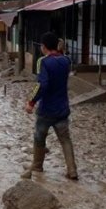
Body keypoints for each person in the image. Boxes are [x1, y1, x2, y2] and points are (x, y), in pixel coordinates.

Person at [23, 32, 78, 181]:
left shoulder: (44, 62)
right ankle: (72, 169)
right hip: (62, 108)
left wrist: (31, 102)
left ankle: (37, 165)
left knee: (39, 137)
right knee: (65, 139)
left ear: (44, 47)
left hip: (46, 110)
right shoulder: (66, 60)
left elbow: (42, 84)